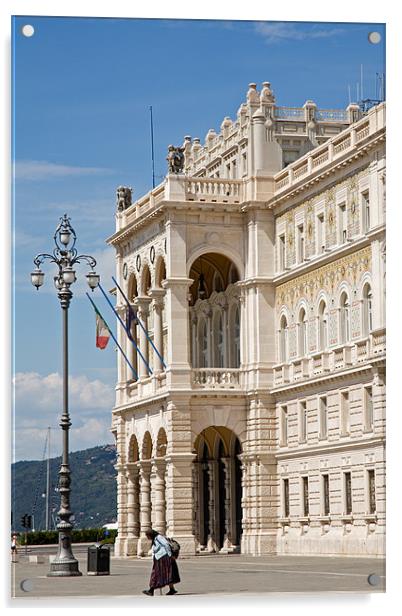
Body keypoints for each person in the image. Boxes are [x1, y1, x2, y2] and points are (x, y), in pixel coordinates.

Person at [142, 529, 180, 596]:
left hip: (163, 558)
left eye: (147, 536)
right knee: (168, 573)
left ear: (151, 535)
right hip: (160, 558)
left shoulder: (159, 537)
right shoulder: (155, 539)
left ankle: (151, 590)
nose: (147, 538)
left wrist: (170, 554)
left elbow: (166, 545)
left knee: (156, 574)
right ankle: (172, 589)